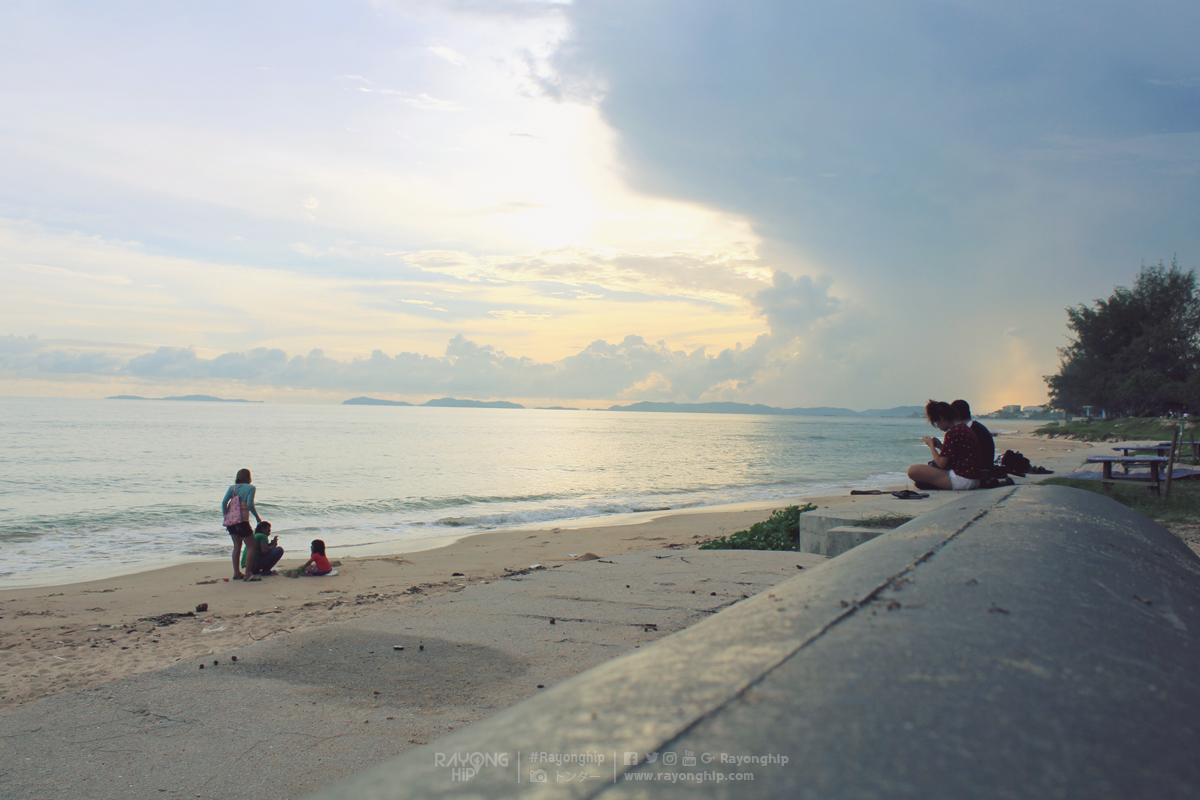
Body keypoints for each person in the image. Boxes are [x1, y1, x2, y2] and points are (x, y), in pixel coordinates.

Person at [907, 400, 983, 491]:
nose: (938, 426)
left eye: (937, 423)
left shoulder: (952, 433)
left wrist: (931, 446)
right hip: (973, 479)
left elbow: (941, 464)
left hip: (962, 480)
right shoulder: (964, 428)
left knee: (913, 470)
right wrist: (940, 446)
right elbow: (957, 455)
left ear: (942, 418)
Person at [222, 468, 263, 581]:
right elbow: (250, 504)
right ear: (248, 477)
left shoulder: (232, 488)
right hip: (242, 521)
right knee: (251, 547)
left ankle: (236, 573)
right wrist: (257, 517)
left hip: (231, 522)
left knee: (236, 546)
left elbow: (224, 502)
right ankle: (247, 574)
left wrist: (225, 516)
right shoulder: (251, 488)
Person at [952, 399, 995, 471]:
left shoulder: (970, 430)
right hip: (984, 468)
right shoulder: (977, 427)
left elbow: (959, 456)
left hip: (978, 471)